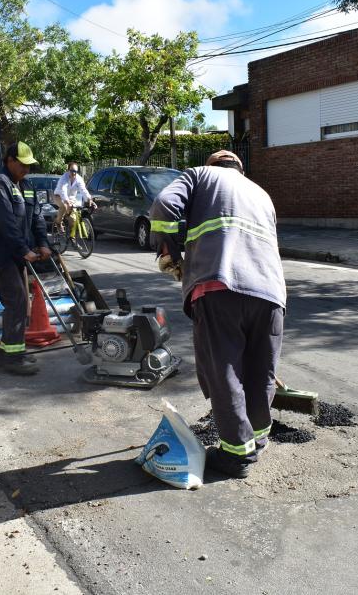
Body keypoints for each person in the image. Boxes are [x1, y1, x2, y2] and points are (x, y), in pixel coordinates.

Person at [149, 150, 287, 478]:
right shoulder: (261, 193)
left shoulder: (199, 175)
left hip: (220, 286)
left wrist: (170, 249)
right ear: (239, 168)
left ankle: (237, 456)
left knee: (223, 371)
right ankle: (256, 441)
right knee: (260, 371)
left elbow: (163, 207)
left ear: (213, 166)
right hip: (271, 295)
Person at [0, 141, 52, 375]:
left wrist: (42, 243)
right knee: (17, 302)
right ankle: (11, 359)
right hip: (0, 256)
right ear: (9, 161)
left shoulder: (26, 185)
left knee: (21, 304)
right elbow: (7, 224)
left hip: (16, 257)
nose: (27, 170)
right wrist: (24, 250)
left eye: (29, 166)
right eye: (23, 165)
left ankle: (11, 354)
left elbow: (37, 217)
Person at [52, 162, 96, 236]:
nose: (74, 173)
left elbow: (83, 190)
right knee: (64, 206)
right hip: (59, 196)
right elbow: (63, 191)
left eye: (75, 171)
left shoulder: (79, 179)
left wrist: (89, 199)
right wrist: (67, 202)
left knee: (74, 219)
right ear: (68, 170)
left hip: (71, 198)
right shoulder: (64, 178)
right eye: (72, 171)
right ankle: (58, 222)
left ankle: (72, 237)